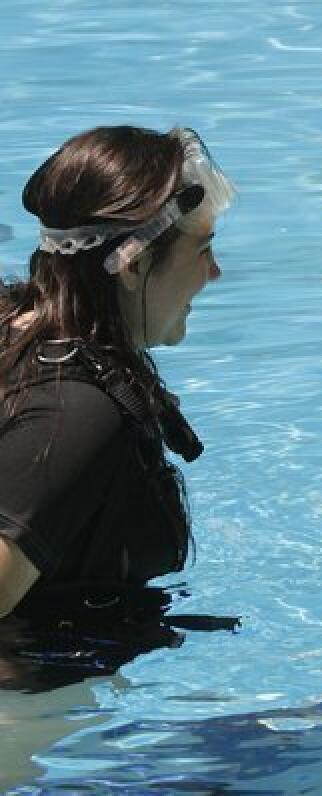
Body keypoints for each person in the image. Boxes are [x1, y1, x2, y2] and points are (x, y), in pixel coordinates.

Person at [0, 126, 234, 680]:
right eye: (202, 249)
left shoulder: (15, 329)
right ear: (131, 266)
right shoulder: (75, 410)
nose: (215, 272)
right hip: (30, 716)